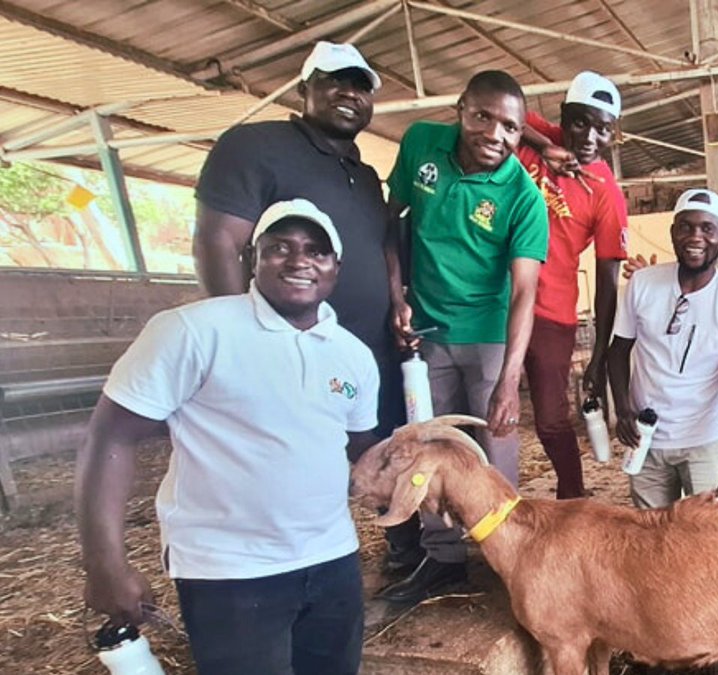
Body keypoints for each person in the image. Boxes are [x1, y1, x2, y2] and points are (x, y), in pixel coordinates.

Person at [77, 200, 380, 675]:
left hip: (332, 560)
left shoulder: (354, 355)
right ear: (250, 259)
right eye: (280, 247)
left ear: (335, 269)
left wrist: (427, 465)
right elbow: (111, 435)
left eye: (317, 252)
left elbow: (362, 448)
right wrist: (104, 564)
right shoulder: (193, 331)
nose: (300, 261)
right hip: (230, 571)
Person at [190, 42, 421, 575]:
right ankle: (285, 567)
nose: (351, 93)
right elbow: (219, 242)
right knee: (288, 456)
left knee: (383, 449)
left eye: (362, 85)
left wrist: (396, 307)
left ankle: (404, 552)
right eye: (336, 79)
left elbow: (379, 249)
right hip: (285, 350)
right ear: (304, 88)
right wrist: (242, 340)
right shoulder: (254, 146)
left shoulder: (363, 174)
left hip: (368, 350)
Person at [380, 70, 548, 605]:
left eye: (510, 127)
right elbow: (392, 221)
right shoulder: (419, 145)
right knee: (430, 447)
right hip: (427, 330)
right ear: (460, 109)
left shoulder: (523, 197)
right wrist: (396, 295)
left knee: (495, 449)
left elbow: (524, 291)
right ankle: (444, 557)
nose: (495, 135)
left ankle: (507, 561)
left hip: (489, 335)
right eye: (483, 117)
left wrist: (508, 380)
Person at [608, 188, 718, 509]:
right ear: (673, 232)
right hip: (645, 440)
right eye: (686, 226)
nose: (696, 236)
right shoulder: (643, 284)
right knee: (651, 534)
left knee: (707, 540)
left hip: (703, 442)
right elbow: (618, 351)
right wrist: (623, 409)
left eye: (708, 228)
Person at [517, 71, 628, 499]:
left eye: (603, 128)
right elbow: (489, 108)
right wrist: (546, 146)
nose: (590, 136)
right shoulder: (536, 134)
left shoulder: (606, 192)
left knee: (549, 417)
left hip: (552, 311)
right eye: (581, 122)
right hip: (492, 301)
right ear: (562, 116)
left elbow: (607, 282)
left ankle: (574, 499)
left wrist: (599, 356)